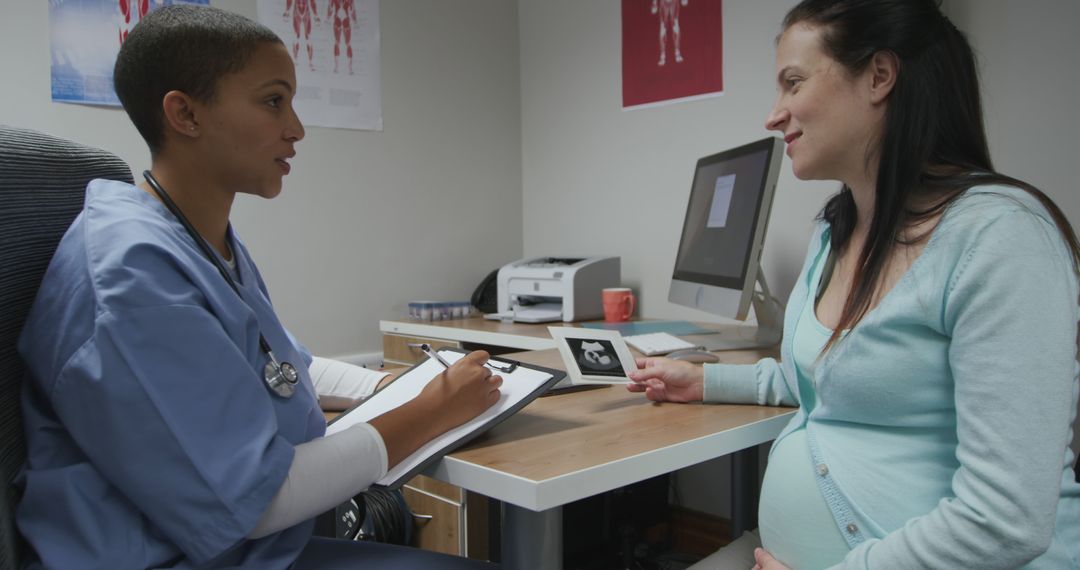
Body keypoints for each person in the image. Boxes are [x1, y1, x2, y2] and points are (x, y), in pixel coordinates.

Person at [16, 5, 501, 569]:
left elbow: (277, 362)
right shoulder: (130, 273)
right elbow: (258, 500)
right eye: (274, 101)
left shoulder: (192, 234)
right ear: (185, 114)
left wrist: (388, 387)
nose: (295, 128)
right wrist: (429, 412)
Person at [628, 1, 1080, 568]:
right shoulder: (835, 231)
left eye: (793, 83)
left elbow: (1006, 520)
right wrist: (703, 381)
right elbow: (820, 381)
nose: (774, 115)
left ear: (879, 76)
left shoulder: (1000, 236)